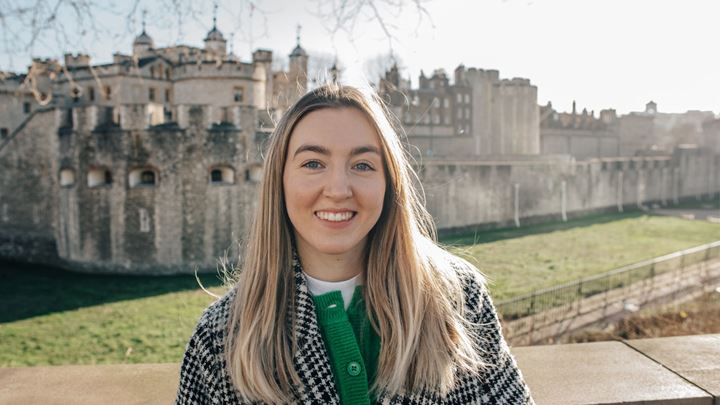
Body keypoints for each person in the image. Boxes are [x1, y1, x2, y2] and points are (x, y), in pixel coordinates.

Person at [176, 84, 534, 404]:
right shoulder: (219, 337)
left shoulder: (457, 295)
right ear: (279, 181)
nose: (337, 189)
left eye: (363, 165)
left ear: (389, 184)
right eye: (313, 163)